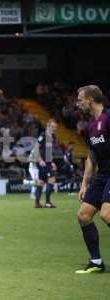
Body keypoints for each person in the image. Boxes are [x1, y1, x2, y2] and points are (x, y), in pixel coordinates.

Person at [75, 85, 110, 274]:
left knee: (106, 214)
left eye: (80, 99)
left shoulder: (108, 118)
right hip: (102, 174)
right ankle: (96, 262)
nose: (77, 103)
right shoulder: (90, 126)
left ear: (90, 100)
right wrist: (84, 183)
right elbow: (91, 156)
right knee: (83, 216)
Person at [33, 119, 58, 208]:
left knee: (41, 182)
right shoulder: (43, 135)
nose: (54, 129)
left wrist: (52, 162)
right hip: (42, 162)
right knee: (51, 180)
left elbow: (48, 152)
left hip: (47, 162)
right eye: (52, 127)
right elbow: (36, 148)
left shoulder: (51, 136)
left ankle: (37, 203)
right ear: (48, 126)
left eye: (55, 127)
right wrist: (40, 160)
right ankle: (47, 203)